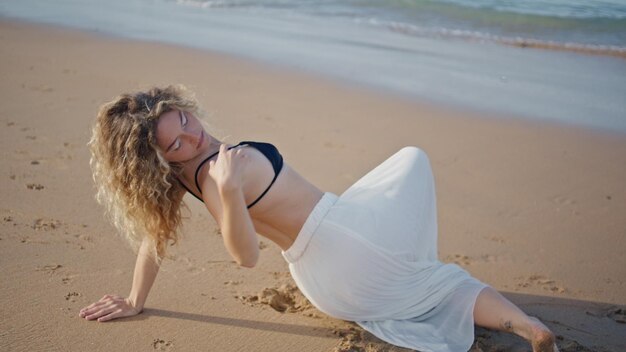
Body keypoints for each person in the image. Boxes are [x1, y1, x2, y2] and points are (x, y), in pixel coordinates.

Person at [79, 86, 558, 352]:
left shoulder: (183, 176)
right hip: (345, 240)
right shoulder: (231, 167)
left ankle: (487, 313)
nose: (193, 136)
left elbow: (152, 239)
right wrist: (227, 191)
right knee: (419, 191)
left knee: (419, 274)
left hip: (322, 283)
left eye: (183, 119)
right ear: (161, 158)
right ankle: (527, 327)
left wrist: (135, 299)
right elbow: (244, 257)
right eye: (176, 142)